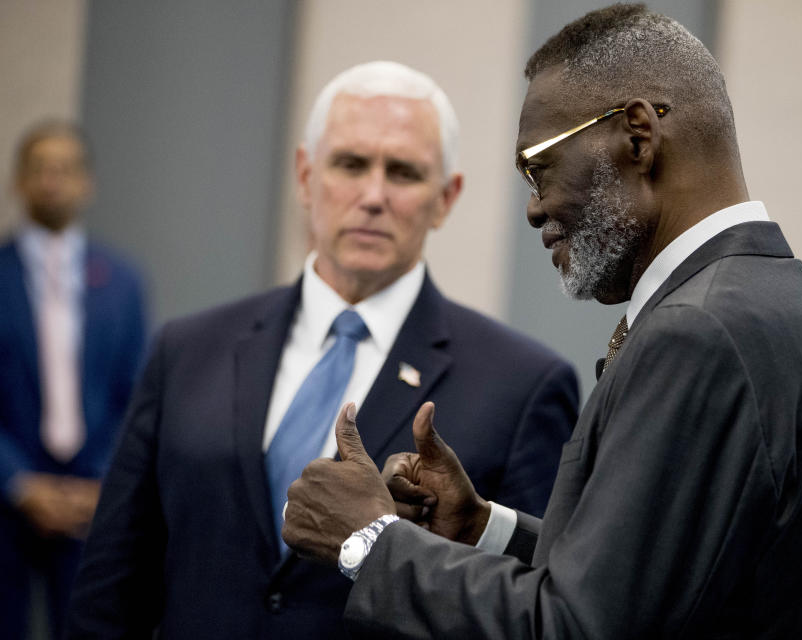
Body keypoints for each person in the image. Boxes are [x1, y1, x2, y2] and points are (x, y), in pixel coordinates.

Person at [280, 6, 802, 639]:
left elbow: (575, 627)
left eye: (537, 167)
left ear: (637, 135)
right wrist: (482, 528)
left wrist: (371, 542)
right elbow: (656, 589)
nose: (534, 207)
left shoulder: (698, 336)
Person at [66, 61, 578, 639]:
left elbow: (526, 610)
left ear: (445, 198)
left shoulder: (522, 384)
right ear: (306, 176)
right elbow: (111, 587)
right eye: (351, 164)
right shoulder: (186, 351)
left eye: (404, 172)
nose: (373, 195)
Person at [0, 120, 147, 640]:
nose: (52, 181)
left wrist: (102, 482)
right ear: (19, 180)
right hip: (7, 494)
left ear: (87, 182)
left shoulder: (123, 281)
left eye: (65, 169)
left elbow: (135, 395)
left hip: (92, 497)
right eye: (40, 169)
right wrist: (18, 483)